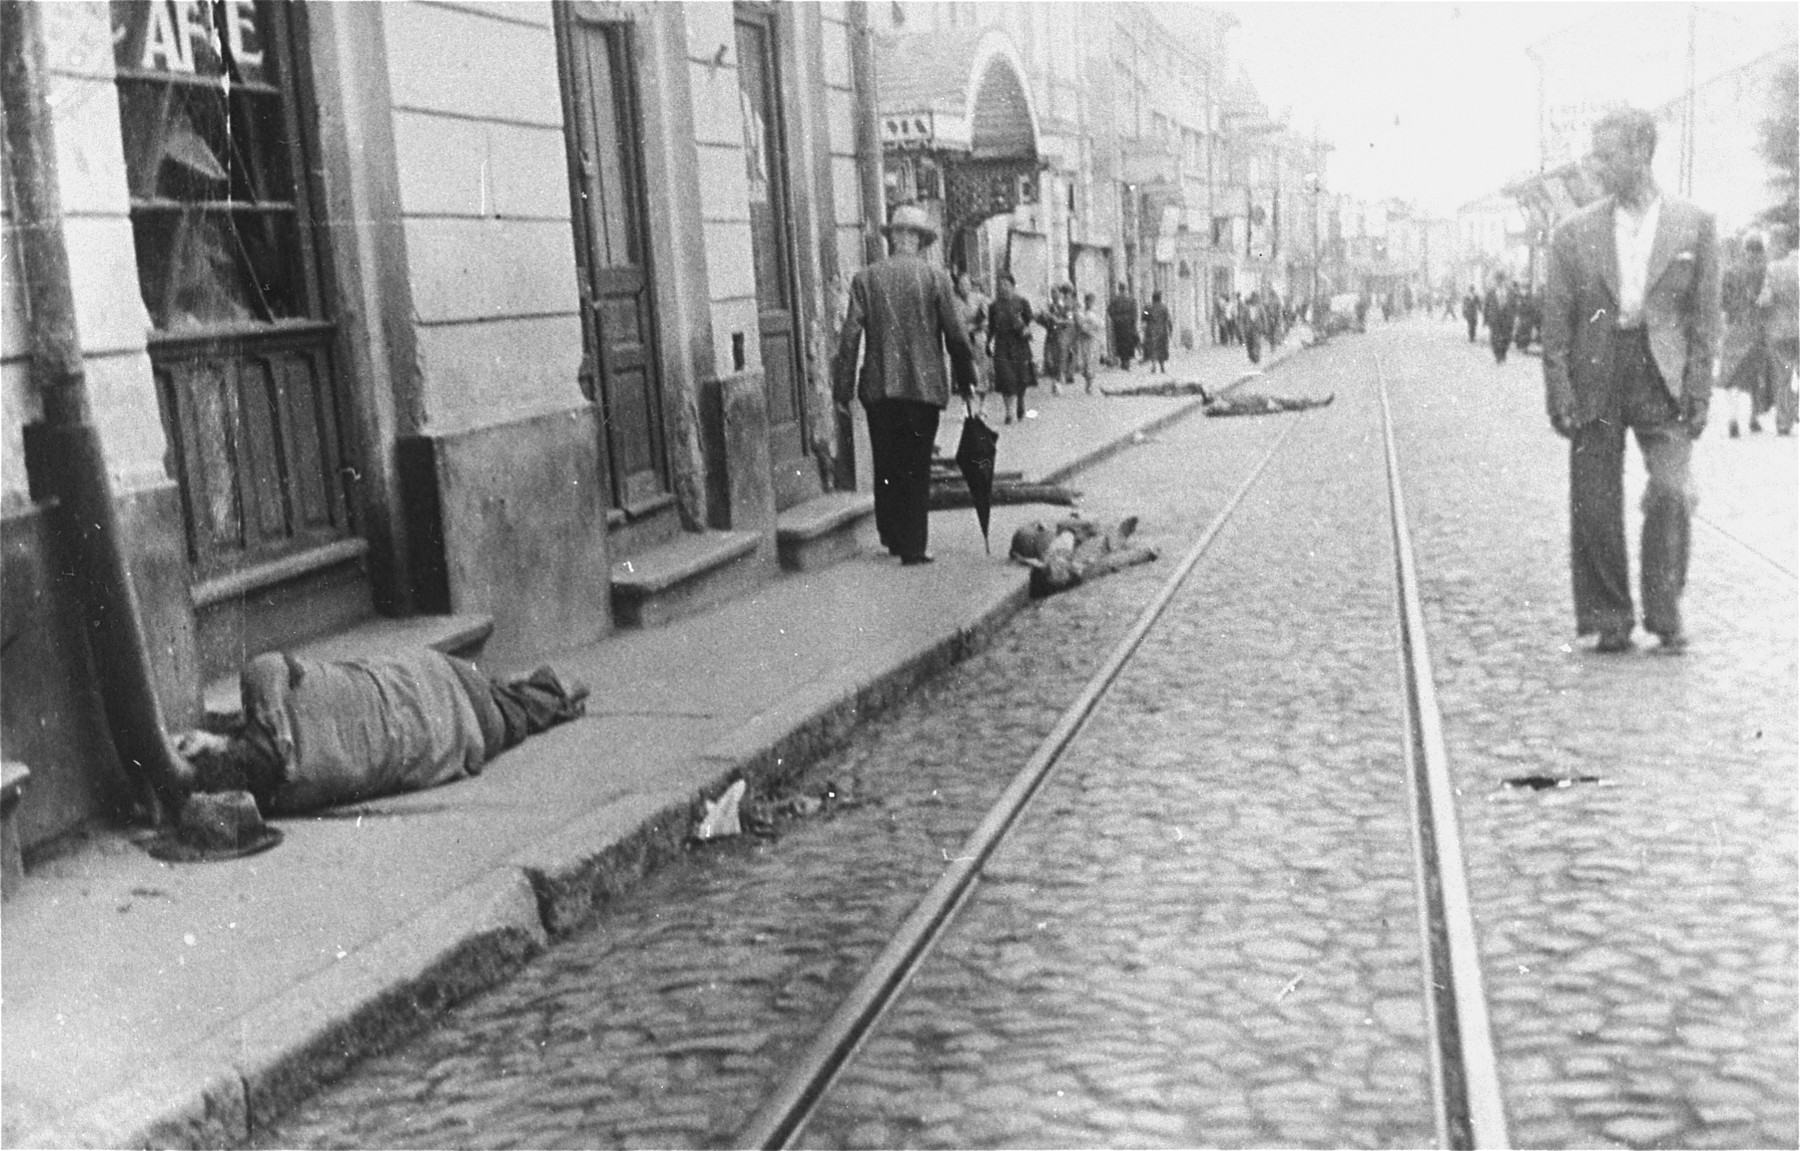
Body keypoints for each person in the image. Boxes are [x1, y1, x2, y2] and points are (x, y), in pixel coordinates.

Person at [1542, 107, 1720, 654]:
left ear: (1642, 154)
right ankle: (1608, 616)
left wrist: (1698, 390)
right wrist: (1559, 390)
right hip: (1597, 368)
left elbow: (1705, 319)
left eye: (1607, 153)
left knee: (1670, 489)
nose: (1595, 164)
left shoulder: (1694, 223)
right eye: (1594, 153)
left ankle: (1664, 610)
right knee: (1594, 497)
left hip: (1659, 371)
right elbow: (1557, 324)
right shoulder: (1574, 234)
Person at [173, 651, 588, 817]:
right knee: (508, 703)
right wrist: (221, 742)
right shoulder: (270, 680)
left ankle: (545, 691)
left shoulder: (291, 794)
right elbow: (275, 680)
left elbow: (268, 755)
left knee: (508, 708)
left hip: (439, 721)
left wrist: (221, 748)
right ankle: (553, 689)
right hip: (433, 686)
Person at [831, 203, 976, 566]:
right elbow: (956, 335)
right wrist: (968, 378)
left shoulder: (866, 278)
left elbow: (849, 337)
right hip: (922, 388)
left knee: (886, 461)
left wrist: (843, 389)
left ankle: (892, 536)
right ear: (919, 240)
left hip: (879, 387)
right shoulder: (935, 277)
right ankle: (913, 545)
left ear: (895, 237)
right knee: (915, 464)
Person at [1718, 235, 1767, 436]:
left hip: (1733, 327)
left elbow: (1722, 303)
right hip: (1755, 328)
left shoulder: (1730, 271)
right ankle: (1753, 418)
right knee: (1755, 374)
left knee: (1730, 376)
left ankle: (1733, 420)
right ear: (1760, 251)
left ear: (1743, 249)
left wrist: (1723, 327)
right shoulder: (1763, 271)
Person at [1760, 224, 1798, 435]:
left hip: (1781, 331)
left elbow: (1765, 300)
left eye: (1773, 242)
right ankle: (1796, 409)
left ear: (1782, 243)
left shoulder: (1774, 269)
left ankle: (1784, 422)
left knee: (1783, 377)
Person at [988, 271, 1038, 426]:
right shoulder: (994, 306)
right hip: (1002, 344)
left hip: (1019, 344)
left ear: (1012, 286)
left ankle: (1020, 401)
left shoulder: (1021, 302)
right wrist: (987, 343)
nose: (1003, 288)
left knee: (1021, 377)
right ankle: (1009, 411)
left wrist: (1025, 328)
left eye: (1006, 285)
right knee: (1005, 377)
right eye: (1000, 285)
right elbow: (991, 327)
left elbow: (1031, 321)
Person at [953, 270, 993, 417]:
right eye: (961, 284)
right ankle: (966, 405)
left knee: (981, 371)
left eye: (966, 283)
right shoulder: (953, 301)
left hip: (977, 336)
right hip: (961, 339)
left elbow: (988, 316)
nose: (964, 287)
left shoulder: (979, 298)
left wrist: (980, 322)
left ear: (971, 285)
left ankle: (982, 406)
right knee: (964, 371)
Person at [1072, 291, 1103, 392]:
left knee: (1091, 360)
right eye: (1088, 301)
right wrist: (1084, 328)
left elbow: (1101, 324)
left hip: (1093, 339)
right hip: (1084, 339)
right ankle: (1087, 380)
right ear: (1085, 301)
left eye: (1092, 301)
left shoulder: (1095, 312)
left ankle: (1090, 383)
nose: (1090, 303)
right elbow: (1080, 325)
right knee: (1085, 360)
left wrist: (1094, 329)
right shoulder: (1082, 312)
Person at [1484, 273, 1516, 364]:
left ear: (1504, 280)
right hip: (1494, 319)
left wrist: (1514, 317)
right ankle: (1497, 355)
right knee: (1495, 338)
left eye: (1501, 280)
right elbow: (1486, 306)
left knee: (1507, 337)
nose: (1499, 282)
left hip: (1507, 318)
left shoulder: (1511, 292)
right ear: (1495, 280)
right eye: (1498, 280)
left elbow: (1514, 306)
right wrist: (1486, 319)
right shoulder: (1490, 292)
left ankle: (1504, 352)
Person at [1107, 282, 1139, 369]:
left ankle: (1123, 361)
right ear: (1125, 288)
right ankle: (1127, 361)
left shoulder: (1115, 299)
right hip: (1128, 324)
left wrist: (1115, 319)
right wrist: (1133, 322)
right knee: (1128, 342)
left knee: (1120, 342)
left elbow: (1109, 310)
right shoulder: (1131, 299)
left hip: (1118, 324)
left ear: (1119, 288)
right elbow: (1135, 312)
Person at [1141, 290, 1173, 373]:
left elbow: (1144, 317)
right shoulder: (1164, 307)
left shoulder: (1148, 307)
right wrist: (1170, 330)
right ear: (1160, 298)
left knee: (1152, 348)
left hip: (1151, 330)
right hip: (1162, 331)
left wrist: (1145, 312)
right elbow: (1168, 319)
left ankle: (1153, 365)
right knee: (1162, 348)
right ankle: (1162, 366)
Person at [1241, 293, 1263, 363]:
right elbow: (1243, 318)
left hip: (1257, 327)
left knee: (1257, 342)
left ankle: (1256, 356)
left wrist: (1265, 327)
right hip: (1248, 328)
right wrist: (1243, 327)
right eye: (1254, 298)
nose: (1255, 300)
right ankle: (1251, 356)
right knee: (1249, 343)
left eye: (1256, 298)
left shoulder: (1260, 307)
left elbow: (1263, 317)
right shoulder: (1247, 308)